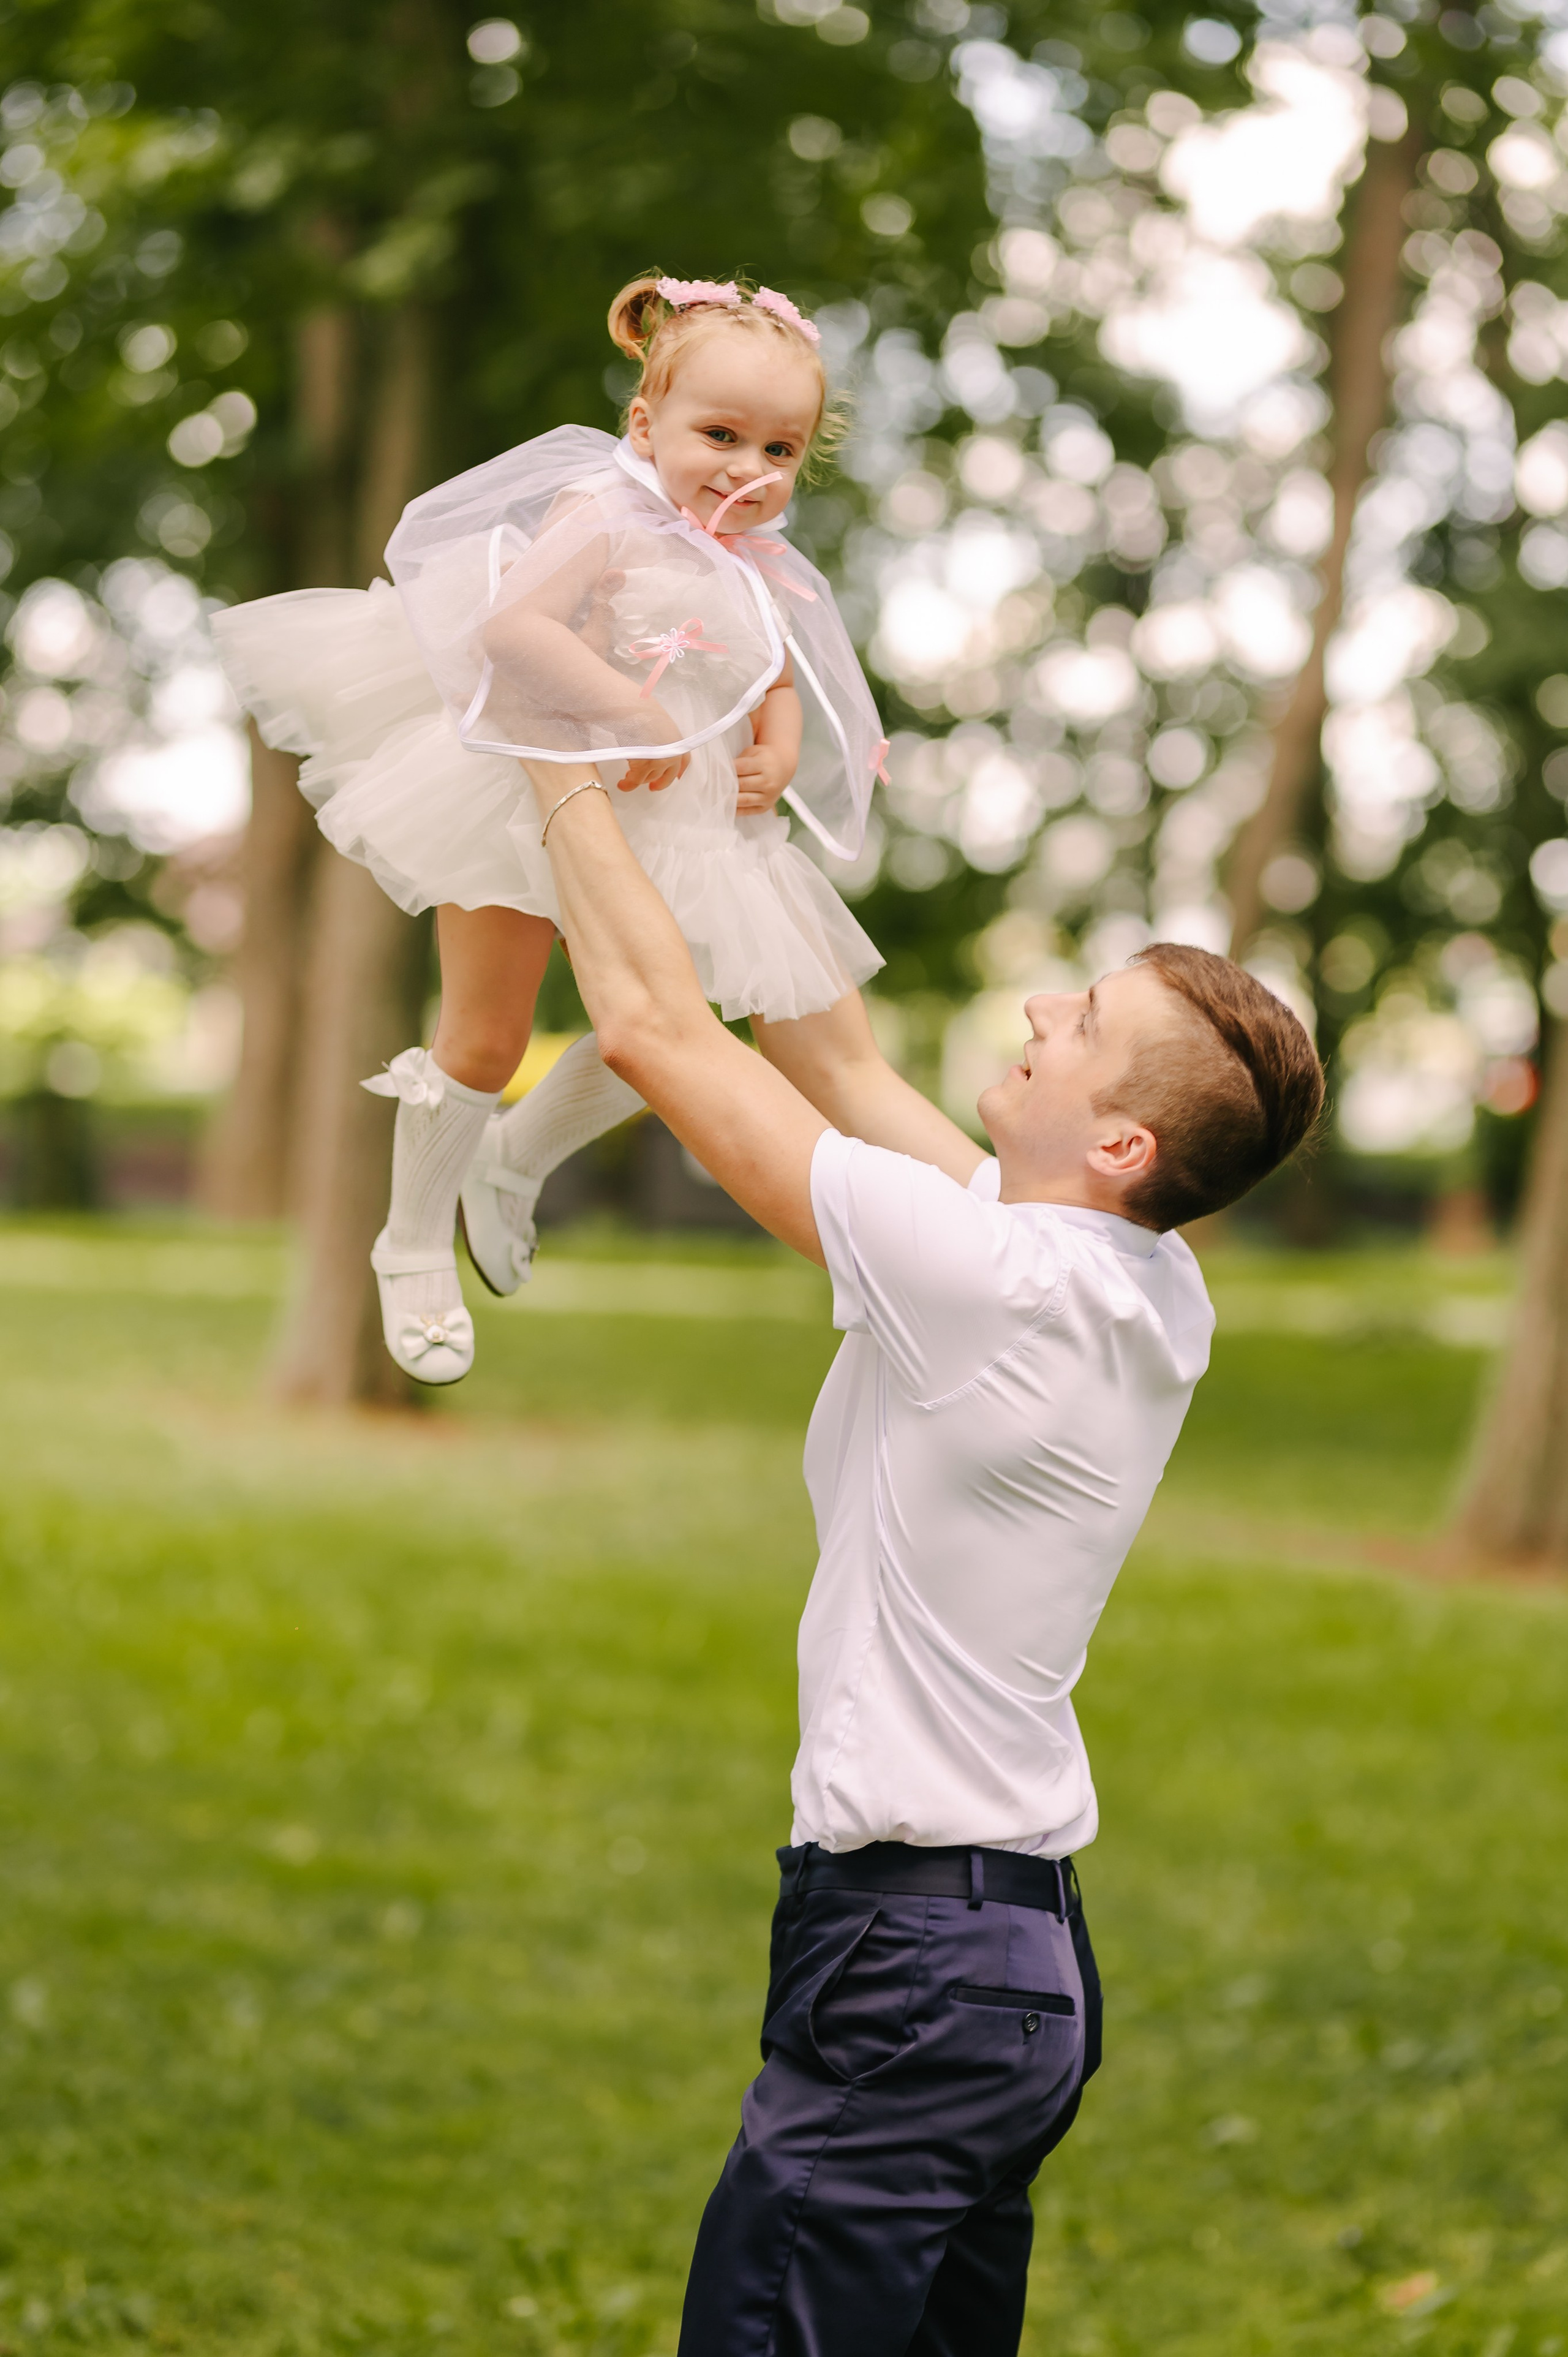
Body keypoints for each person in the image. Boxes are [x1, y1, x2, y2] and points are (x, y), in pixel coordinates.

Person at [511, 741, 1324, 2356]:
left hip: (912, 1966)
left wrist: (554, 762)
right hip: (999, 1976)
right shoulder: (1137, 1282)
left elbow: (659, 1033)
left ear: (1119, 1149)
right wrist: (739, 818)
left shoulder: (994, 1284)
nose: (1038, 1013)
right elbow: (829, 1051)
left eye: (1081, 1028)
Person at [213, 272, 952, 1386]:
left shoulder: (761, 564)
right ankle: (411, 1239)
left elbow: (775, 677)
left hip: (680, 823)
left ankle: (517, 1158)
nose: (749, 472)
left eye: (780, 451)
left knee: (670, 1023)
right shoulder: (603, 515)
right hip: (539, 795)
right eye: (721, 436)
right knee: (486, 1034)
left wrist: (781, 746)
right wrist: (628, 707)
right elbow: (515, 631)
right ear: (646, 425)